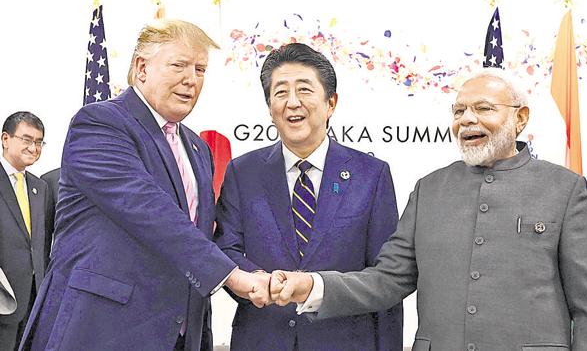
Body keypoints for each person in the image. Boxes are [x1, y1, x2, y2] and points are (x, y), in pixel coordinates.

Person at [270, 68, 587, 351]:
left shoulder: (564, 188)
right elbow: (387, 279)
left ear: (520, 118)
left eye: (483, 109)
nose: (467, 120)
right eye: (459, 111)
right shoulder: (430, 188)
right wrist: (313, 286)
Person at [18, 20, 270, 351]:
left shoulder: (198, 149)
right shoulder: (100, 124)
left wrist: (265, 276)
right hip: (100, 331)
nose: (191, 79)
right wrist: (232, 275)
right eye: (179, 65)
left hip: (180, 336)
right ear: (141, 68)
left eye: (200, 69)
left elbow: (203, 236)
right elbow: (148, 210)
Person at [213, 43, 403, 350]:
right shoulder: (242, 172)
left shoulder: (371, 175)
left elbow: (385, 279)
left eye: (304, 90)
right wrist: (257, 280)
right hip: (262, 338)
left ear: (331, 103)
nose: (292, 103)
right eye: (280, 92)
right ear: (269, 107)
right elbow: (226, 248)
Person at [0, 112, 54, 351]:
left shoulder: (41, 186)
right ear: (5, 139)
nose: (34, 147)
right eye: (27, 139)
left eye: (39, 142)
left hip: (33, 300)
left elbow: (41, 245)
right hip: (3, 298)